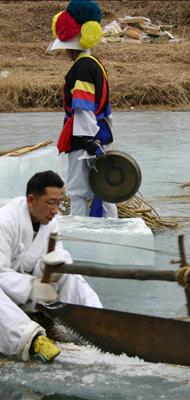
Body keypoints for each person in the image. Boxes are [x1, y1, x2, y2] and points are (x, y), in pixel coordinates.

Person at [0, 170, 102, 363]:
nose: (56, 210)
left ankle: (96, 323)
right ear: (31, 199)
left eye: (58, 203)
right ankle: (33, 340)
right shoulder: (5, 221)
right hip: (8, 296)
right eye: (50, 202)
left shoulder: (50, 224)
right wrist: (34, 287)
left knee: (66, 268)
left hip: (33, 293)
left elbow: (48, 261)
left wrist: (53, 271)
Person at [47, 0, 117, 218]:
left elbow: (82, 106)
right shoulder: (95, 63)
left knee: (77, 192)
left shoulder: (82, 67)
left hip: (83, 137)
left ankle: (81, 230)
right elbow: (105, 108)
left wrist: (87, 141)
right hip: (99, 133)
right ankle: (109, 227)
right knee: (104, 186)